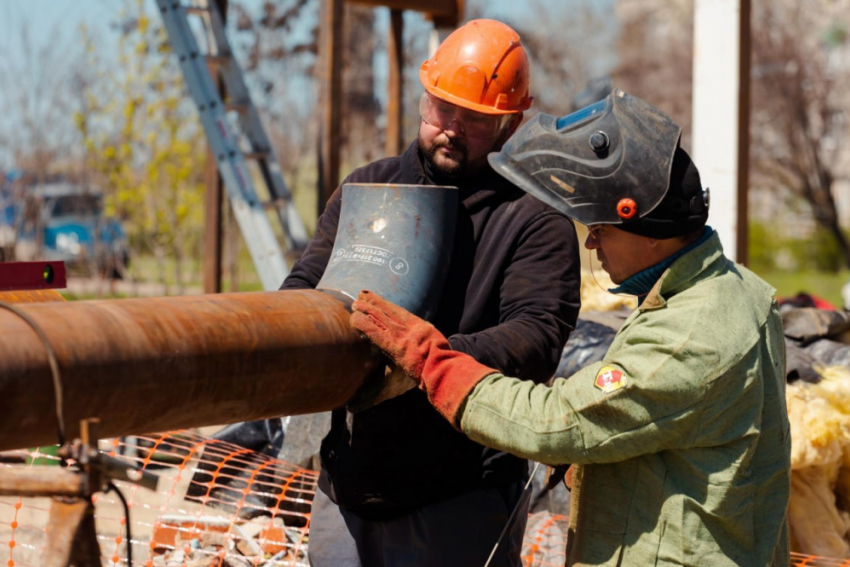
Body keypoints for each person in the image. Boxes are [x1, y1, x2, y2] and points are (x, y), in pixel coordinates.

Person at [351, 90, 791, 567]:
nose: (592, 240)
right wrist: (606, 439)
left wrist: (429, 361)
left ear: (649, 234)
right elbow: (671, 417)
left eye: (600, 226)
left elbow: (555, 424)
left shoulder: (689, 333)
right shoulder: (738, 291)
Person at [281, 19, 582, 567]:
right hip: (348, 485)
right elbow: (303, 289)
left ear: (511, 124)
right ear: (425, 98)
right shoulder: (367, 190)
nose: (453, 128)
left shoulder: (534, 218)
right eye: (443, 110)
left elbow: (536, 335)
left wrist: (426, 358)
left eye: (477, 120)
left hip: (460, 495)